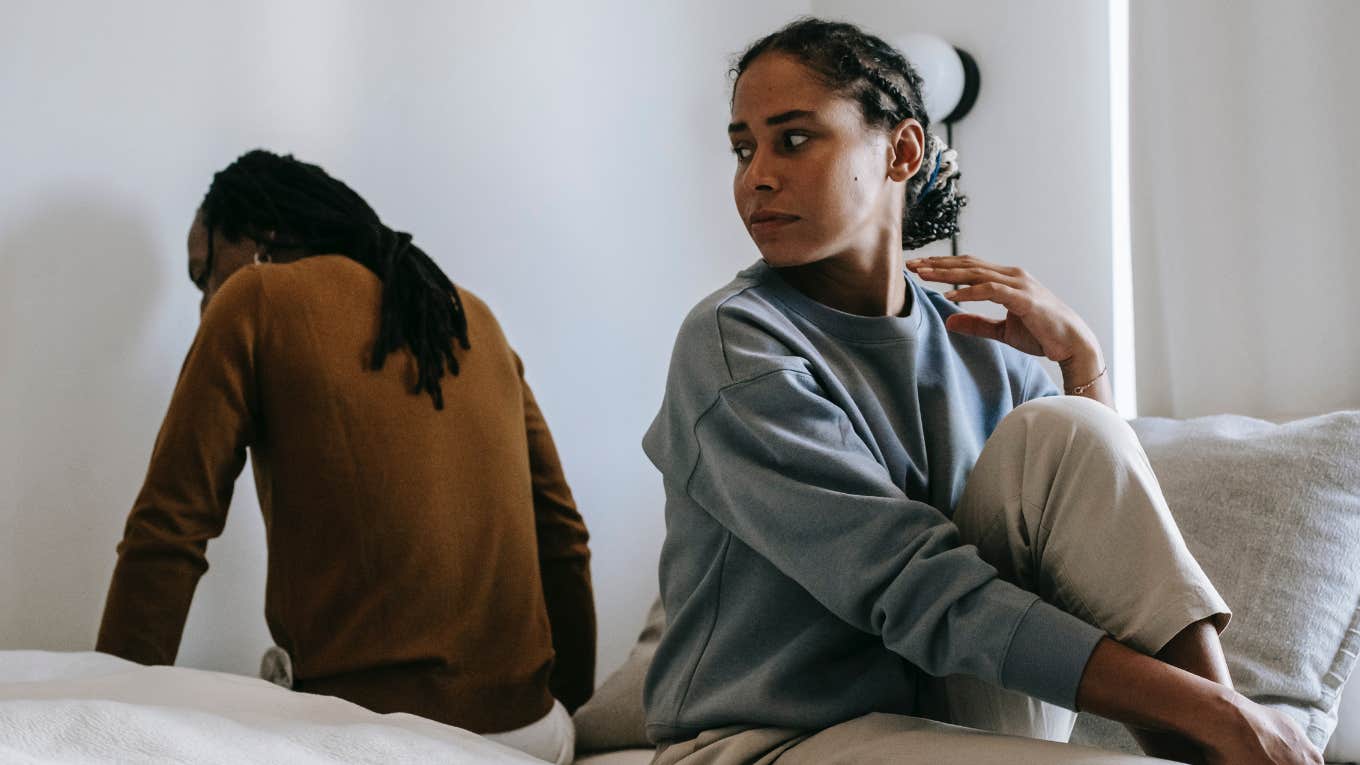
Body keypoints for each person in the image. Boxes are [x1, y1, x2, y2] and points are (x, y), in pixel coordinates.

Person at [641, 18, 1321, 765]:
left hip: (955, 715)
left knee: (1065, 428)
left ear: (902, 149)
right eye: (744, 147)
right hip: (768, 740)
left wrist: (1082, 365)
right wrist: (1225, 711)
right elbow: (916, 586)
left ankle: (1234, 750)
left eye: (793, 138)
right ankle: (1230, 733)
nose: (756, 175)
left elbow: (1091, 565)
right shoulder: (735, 343)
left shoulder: (981, 342)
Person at [96, 150, 594, 764]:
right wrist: (566, 718)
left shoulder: (253, 298)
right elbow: (563, 538)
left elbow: (167, 534)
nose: (205, 301)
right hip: (534, 735)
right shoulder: (471, 316)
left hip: (374, 741)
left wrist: (100, 720)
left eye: (205, 274)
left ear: (261, 239)